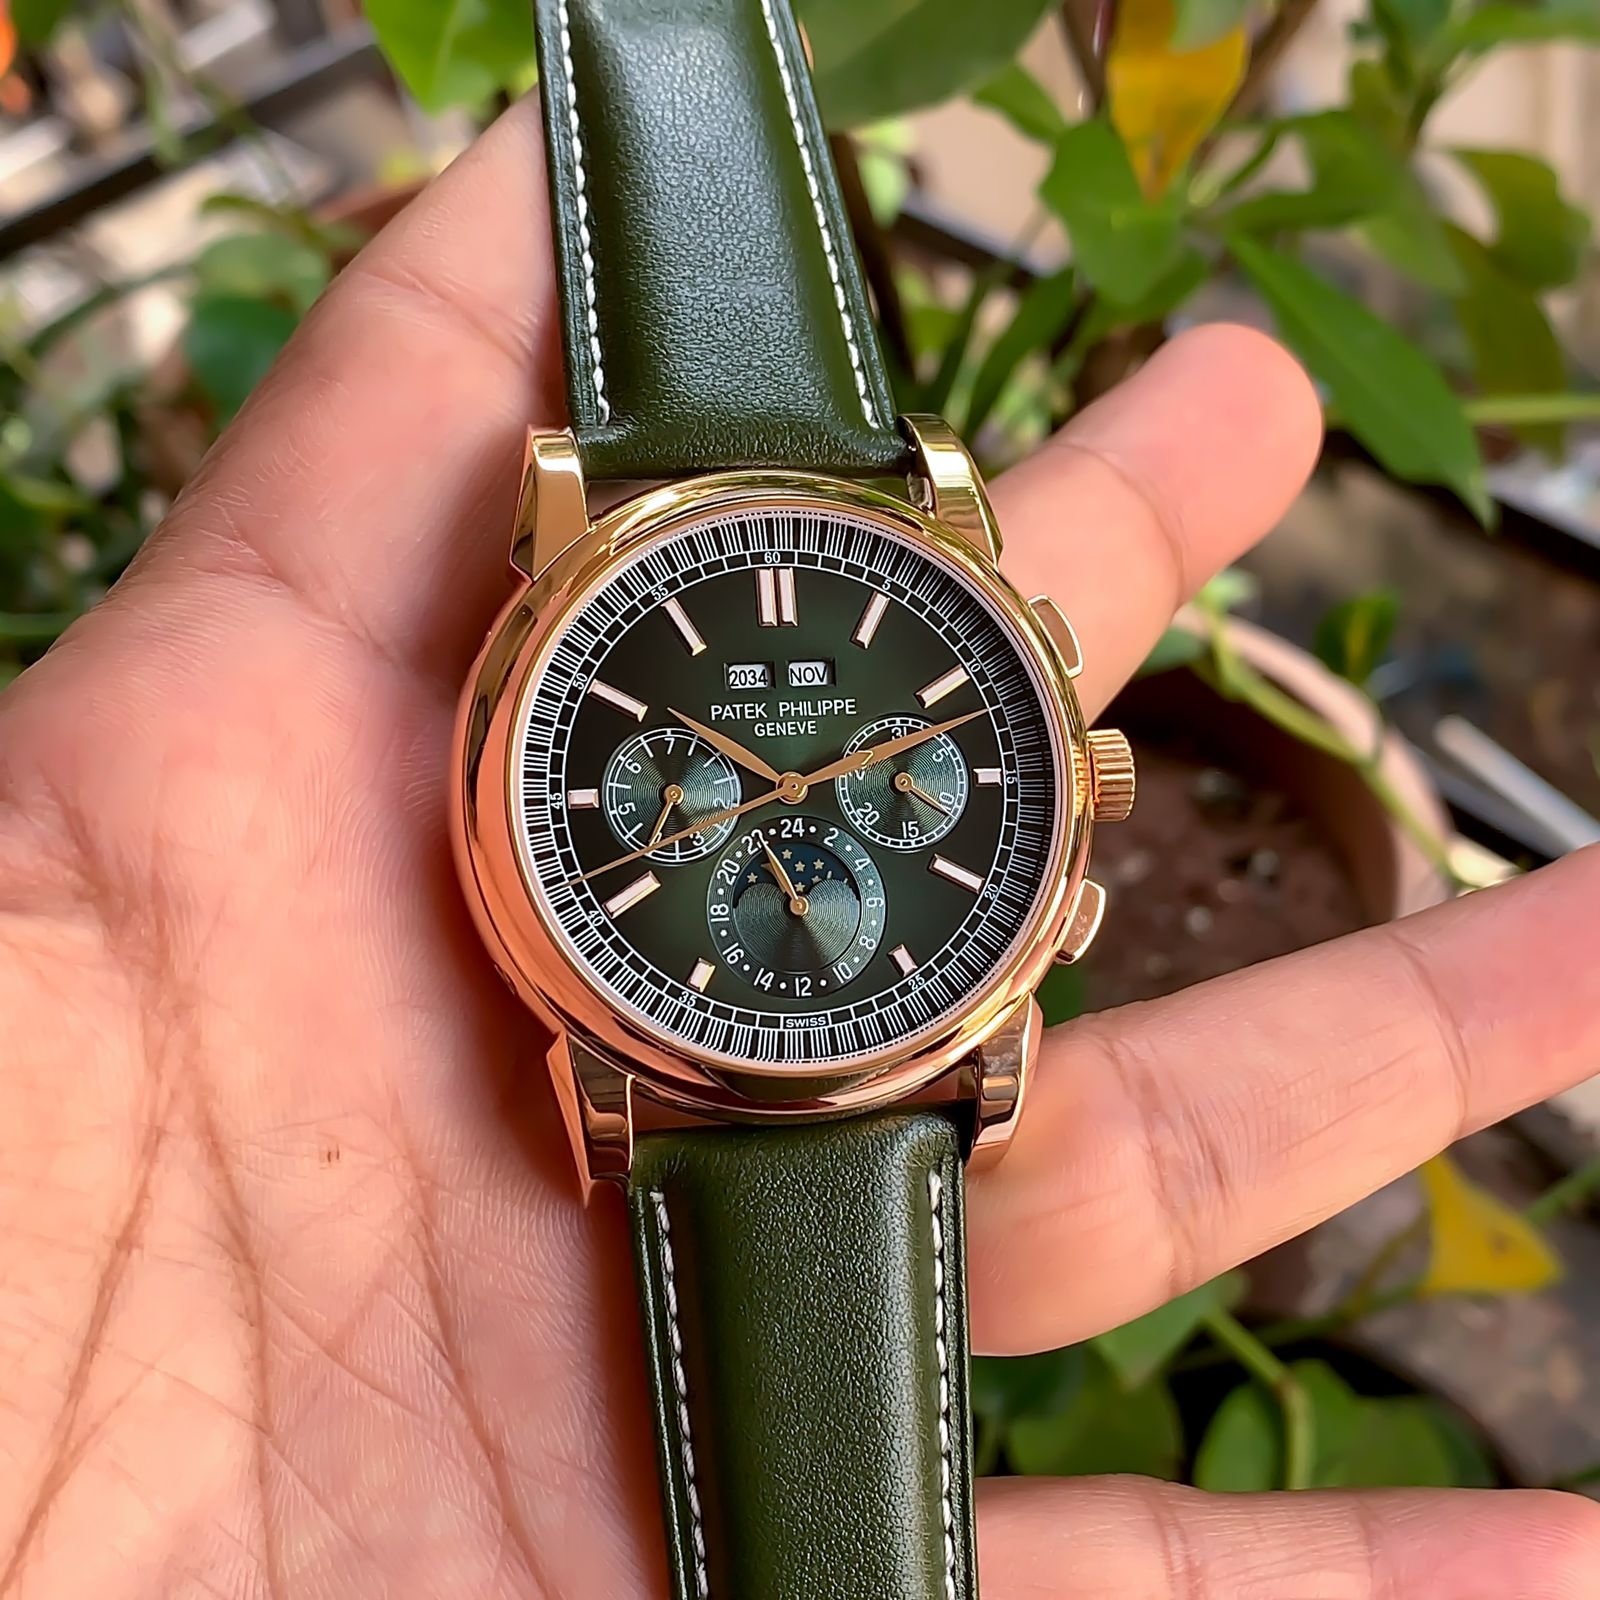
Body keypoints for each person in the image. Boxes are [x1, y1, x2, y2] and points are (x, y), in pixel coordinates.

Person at [0, 96, 1596, 1600]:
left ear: (1076, 781)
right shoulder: (591, 539)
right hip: (657, 1051)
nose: (781, 799)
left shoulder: (905, 566)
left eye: (874, 768)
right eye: (744, 782)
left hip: (858, 1032)